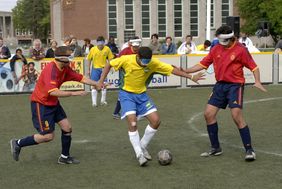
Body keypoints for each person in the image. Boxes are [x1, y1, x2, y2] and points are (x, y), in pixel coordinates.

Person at [97, 47, 205, 166]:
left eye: (148, 61)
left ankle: (142, 146)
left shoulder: (153, 63)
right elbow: (108, 64)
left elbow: (172, 70)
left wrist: (191, 77)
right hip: (126, 95)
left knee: (156, 121)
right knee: (133, 123)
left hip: (142, 96)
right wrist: (101, 81)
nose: (146, 64)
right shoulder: (126, 59)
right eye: (144, 61)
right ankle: (139, 154)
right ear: (138, 57)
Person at [184, 25, 267, 161]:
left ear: (231, 38)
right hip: (220, 86)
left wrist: (257, 81)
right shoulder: (215, 48)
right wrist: (186, 71)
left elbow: (254, 67)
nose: (221, 44)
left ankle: (249, 150)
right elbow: (202, 64)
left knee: (236, 116)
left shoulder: (241, 50)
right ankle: (215, 148)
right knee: (208, 114)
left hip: (235, 86)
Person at [10, 46, 101, 164]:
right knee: (48, 136)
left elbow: (81, 78)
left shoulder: (65, 68)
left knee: (67, 127)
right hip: (41, 104)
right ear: (61, 59)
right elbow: (53, 92)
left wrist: (97, 83)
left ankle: (64, 157)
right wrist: (75, 93)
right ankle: (17, 143)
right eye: (68, 57)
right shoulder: (51, 70)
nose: (70, 59)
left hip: (53, 102)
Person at [112, 38, 141, 119]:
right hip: (124, 75)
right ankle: (116, 112)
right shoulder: (125, 51)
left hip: (135, 75)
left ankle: (135, 112)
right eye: (134, 46)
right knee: (124, 93)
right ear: (131, 44)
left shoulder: (140, 52)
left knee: (136, 92)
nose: (136, 48)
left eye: (137, 46)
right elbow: (118, 61)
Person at [87, 36, 114, 107]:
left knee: (104, 85)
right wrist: (88, 69)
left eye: (102, 43)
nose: (100, 45)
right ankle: (94, 102)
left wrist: (111, 67)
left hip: (104, 69)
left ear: (104, 43)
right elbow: (89, 59)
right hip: (95, 69)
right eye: (99, 43)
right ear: (97, 43)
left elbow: (110, 59)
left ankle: (103, 101)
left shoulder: (107, 49)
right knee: (94, 85)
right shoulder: (93, 49)